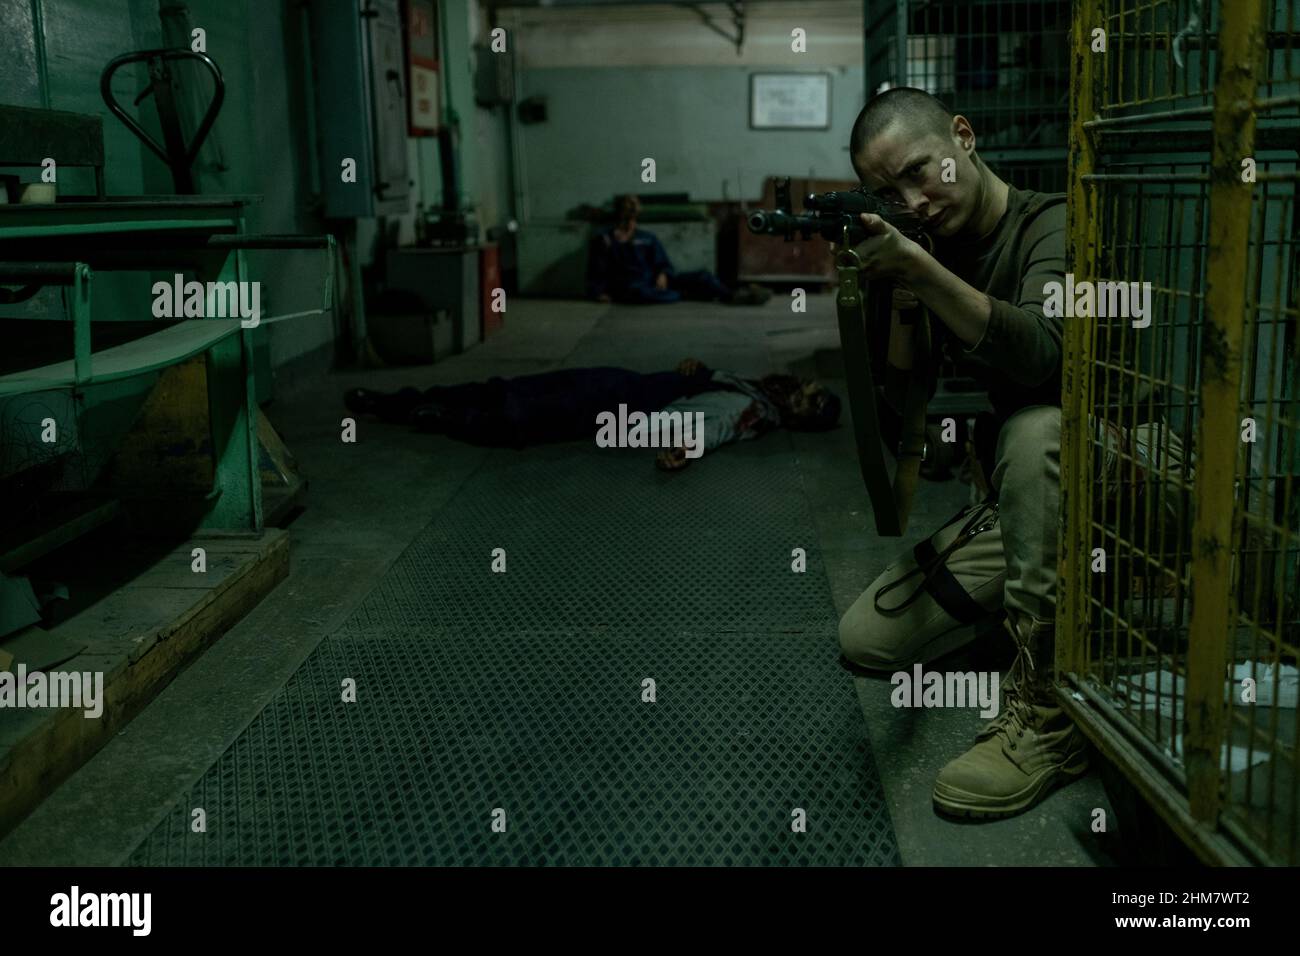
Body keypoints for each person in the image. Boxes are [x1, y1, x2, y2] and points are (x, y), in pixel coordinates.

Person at [836, 87, 1081, 820]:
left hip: (1122, 476)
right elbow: (894, 420)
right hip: (1028, 504)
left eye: (919, 172)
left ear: (963, 138)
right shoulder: (932, 250)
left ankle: (1049, 712)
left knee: (1037, 428)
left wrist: (917, 269)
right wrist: (878, 295)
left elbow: (1040, 355)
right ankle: (1056, 613)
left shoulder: (1056, 223)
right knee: (868, 640)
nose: (914, 200)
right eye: (889, 192)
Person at [343, 360, 839, 466]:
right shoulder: (748, 382)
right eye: (813, 391)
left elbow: (717, 428)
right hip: (618, 383)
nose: (805, 396)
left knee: (518, 414)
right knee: (506, 389)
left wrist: (684, 450)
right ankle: (398, 403)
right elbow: (705, 391)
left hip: (616, 402)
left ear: (800, 420)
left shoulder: (754, 409)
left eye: (812, 407)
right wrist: (699, 368)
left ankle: (430, 413)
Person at [587, 195, 770, 306]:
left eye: (633, 217)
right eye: (626, 217)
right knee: (638, 292)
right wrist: (599, 292)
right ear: (618, 215)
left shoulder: (646, 237)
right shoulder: (606, 240)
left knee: (703, 277)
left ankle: (733, 295)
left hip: (653, 281)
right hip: (632, 286)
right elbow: (597, 270)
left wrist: (662, 273)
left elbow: (662, 262)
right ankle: (686, 295)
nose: (630, 223)